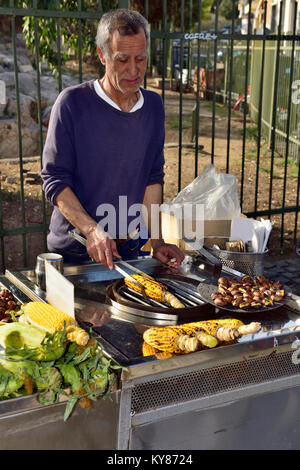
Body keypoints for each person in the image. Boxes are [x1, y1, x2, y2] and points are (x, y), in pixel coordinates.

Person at [41, 8, 184, 270]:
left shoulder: (153, 106)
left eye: (140, 59)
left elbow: (153, 177)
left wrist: (158, 241)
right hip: (76, 249)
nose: (134, 70)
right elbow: (54, 180)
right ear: (102, 55)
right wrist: (92, 230)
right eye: (122, 60)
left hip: (129, 249)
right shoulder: (72, 103)